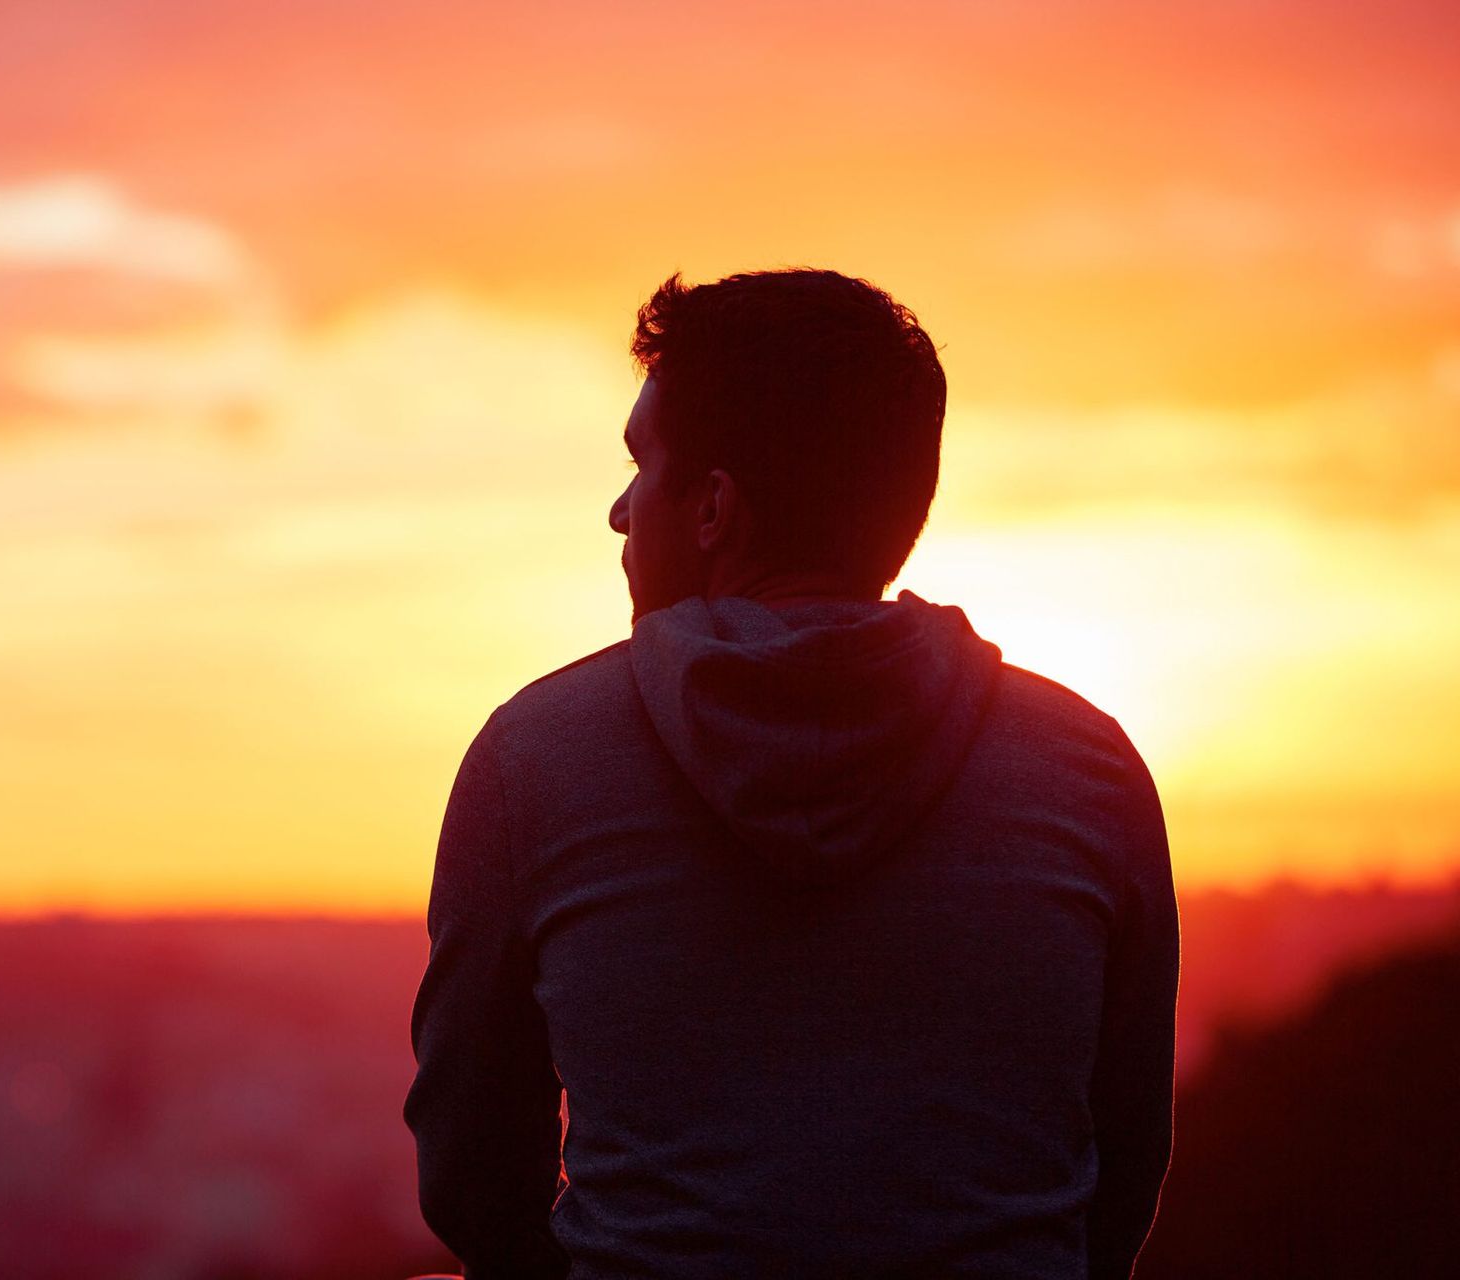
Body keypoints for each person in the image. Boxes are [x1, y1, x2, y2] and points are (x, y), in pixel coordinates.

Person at [403, 269, 1178, 1280]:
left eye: (643, 466)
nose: (619, 511)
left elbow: (472, 1181)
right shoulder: (1092, 769)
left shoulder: (534, 758)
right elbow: (1119, 1177)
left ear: (716, 506)